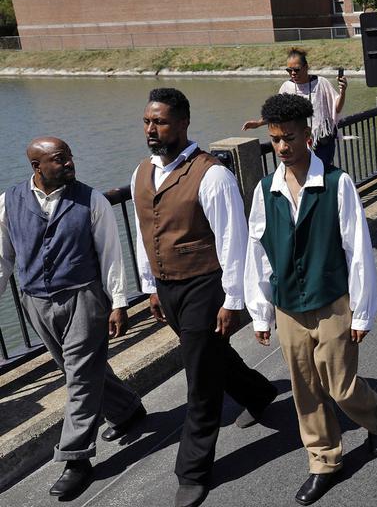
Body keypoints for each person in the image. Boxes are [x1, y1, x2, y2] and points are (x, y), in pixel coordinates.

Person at [133, 88, 278, 507]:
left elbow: (233, 242)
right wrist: (150, 287)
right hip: (168, 287)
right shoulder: (141, 172)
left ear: (182, 123)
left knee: (198, 379)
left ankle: (193, 470)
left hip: (204, 287)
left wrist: (233, 300)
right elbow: (146, 233)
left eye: (159, 122)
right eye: (147, 121)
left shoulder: (212, 174)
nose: (151, 129)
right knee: (211, 356)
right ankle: (258, 393)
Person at [244, 94, 377, 506]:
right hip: (288, 305)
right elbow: (257, 250)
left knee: (340, 386)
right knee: (305, 387)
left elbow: (357, 249)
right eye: (275, 140)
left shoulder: (337, 183)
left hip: (332, 300)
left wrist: (362, 311)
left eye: (289, 137)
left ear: (308, 135)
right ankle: (324, 460)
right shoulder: (265, 190)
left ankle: (376, 412)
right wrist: (260, 311)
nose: (282, 147)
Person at [0, 138, 145, 499]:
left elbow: (110, 254)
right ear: (37, 167)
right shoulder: (8, 203)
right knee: (76, 368)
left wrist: (119, 302)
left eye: (69, 158)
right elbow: (3, 258)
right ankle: (127, 411)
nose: (70, 164)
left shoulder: (92, 200)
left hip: (84, 296)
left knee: (79, 375)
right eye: (59, 160)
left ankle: (76, 458)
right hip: (36, 301)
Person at [242, 48, 346, 166]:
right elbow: (277, 112)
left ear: (306, 67)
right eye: (289, 70)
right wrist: (258, 123)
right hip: (298, 143)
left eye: (296, 70)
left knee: (323, 174)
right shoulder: (287, 87)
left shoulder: (321, 82)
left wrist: (343, 92)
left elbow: (336, 108)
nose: (293, 73)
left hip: (322, 142)